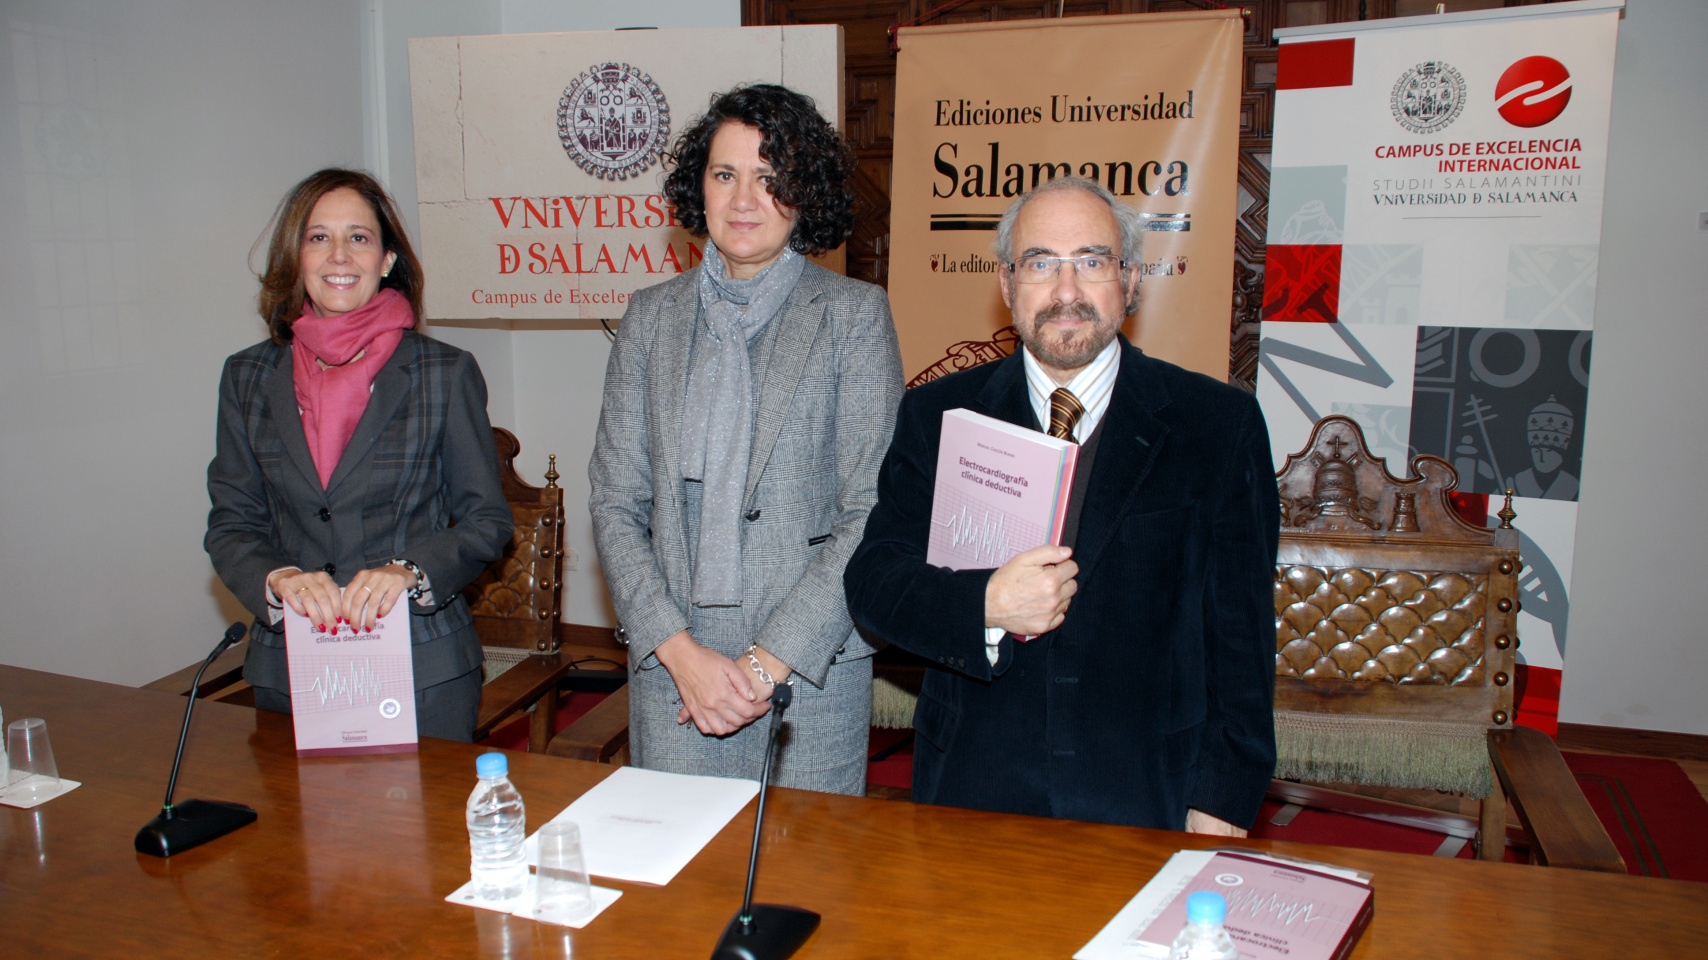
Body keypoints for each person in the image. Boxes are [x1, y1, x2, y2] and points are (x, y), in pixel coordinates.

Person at [844, 177, 1278, 833]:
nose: (1066, 291)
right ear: (1007, 283)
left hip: (1148, 799)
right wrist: (985, 603)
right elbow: (875, 583)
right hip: (972, 790)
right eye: (1041, 263)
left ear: (1130, 281)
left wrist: (1220, 800)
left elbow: (1241, 642)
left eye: (1092, 262)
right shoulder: (938, 413)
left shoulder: (1218, 425)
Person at [589, 84, 903, 795]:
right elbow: (614, 500)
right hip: (676, 665)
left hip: (809, 665)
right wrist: (678, 651)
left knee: (808, 889)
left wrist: (767, 663)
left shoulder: (852, 315)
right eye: (724, 174)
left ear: (805, 194)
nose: (742, 200)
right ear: (698, 185)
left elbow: (872, 508)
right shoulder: (649, 318)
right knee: (680, 891)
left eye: (771, 179)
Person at [206, 168, 513, 742]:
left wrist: (411, 570)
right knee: (295, 835)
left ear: (387, 259)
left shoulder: (443, 372)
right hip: (290, 670)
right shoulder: (246, 376)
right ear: (294, 257)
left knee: (425, 834)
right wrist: (277, 578)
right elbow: (231, 522)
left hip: (424, 669)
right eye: (318, 237)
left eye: (359, 237)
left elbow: (486, 522)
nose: (339, 255)